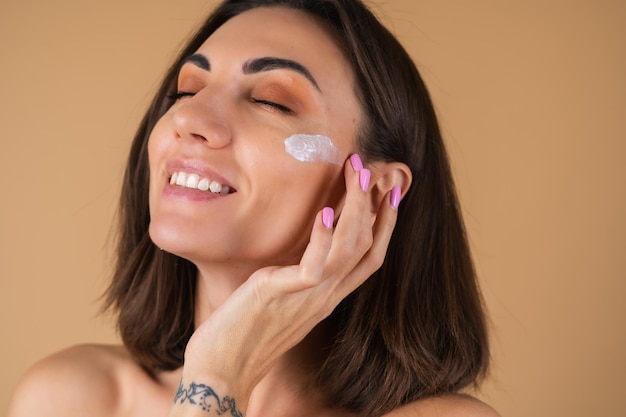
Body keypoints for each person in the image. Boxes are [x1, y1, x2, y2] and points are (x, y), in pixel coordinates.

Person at [8, 0, 499, 416]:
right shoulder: (70, 399)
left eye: (271, 101)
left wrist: (220, 378)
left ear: (373, 193)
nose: (189, 118)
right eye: (187, 89)